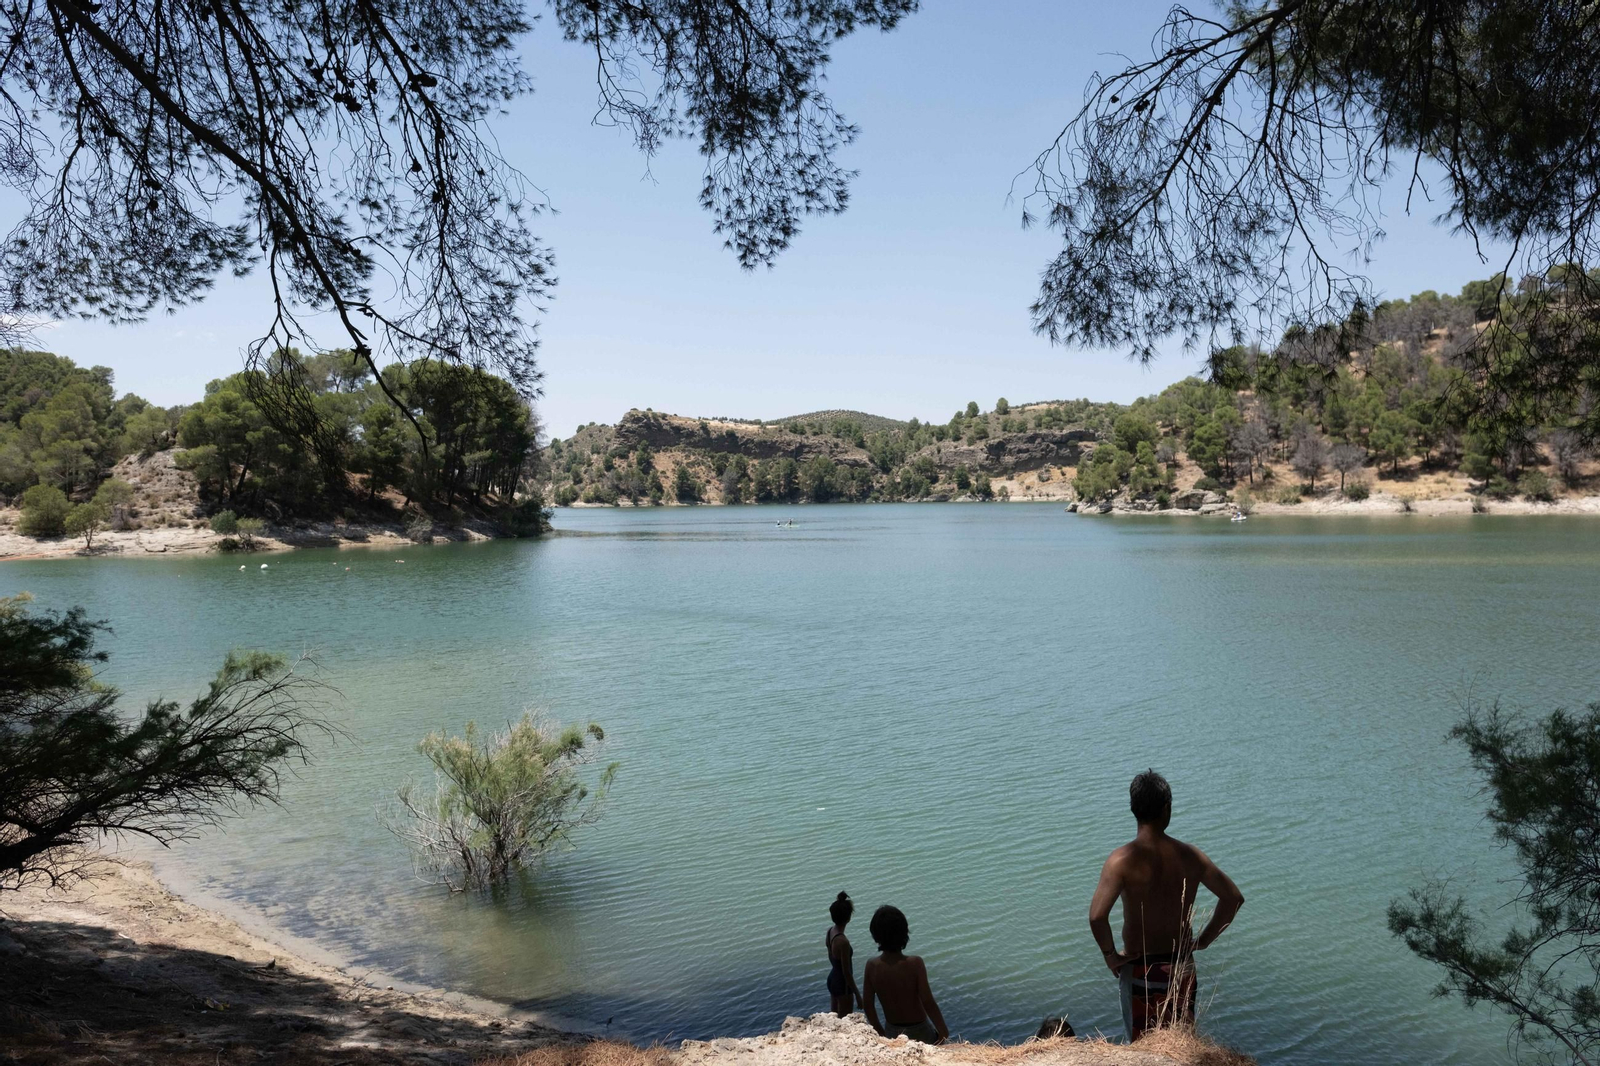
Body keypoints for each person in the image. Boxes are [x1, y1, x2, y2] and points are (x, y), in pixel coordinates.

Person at [1088, 769, 1244, 1043]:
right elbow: (1232, 898)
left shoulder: (1120, 860)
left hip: (1139, 967)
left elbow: (1097, 917)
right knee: (1180, 1046)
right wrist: (1204, 940)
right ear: (1167, 809)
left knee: (1141, 1049)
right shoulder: (1191, 856)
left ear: (1133, 810)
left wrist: (1110, 955)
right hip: (1180, 967)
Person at [861, 905, 949, 1044]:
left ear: (875, 935)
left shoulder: (872, 966)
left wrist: (880, 1031)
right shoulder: (915, 963)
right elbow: (928, 1002)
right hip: (920, 1030)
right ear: (904, 932)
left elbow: (868, 1005)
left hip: (892, 1031)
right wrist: (943, 1031)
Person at [824, 892, 863, 1016]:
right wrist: (857, 994)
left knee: (833, 1018)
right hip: (842, 984)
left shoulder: (830, 931)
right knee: (844, 1019)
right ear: (848, 917)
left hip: (832, 978)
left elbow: (830, 955)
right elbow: (847, 972)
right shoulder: (843, 942)